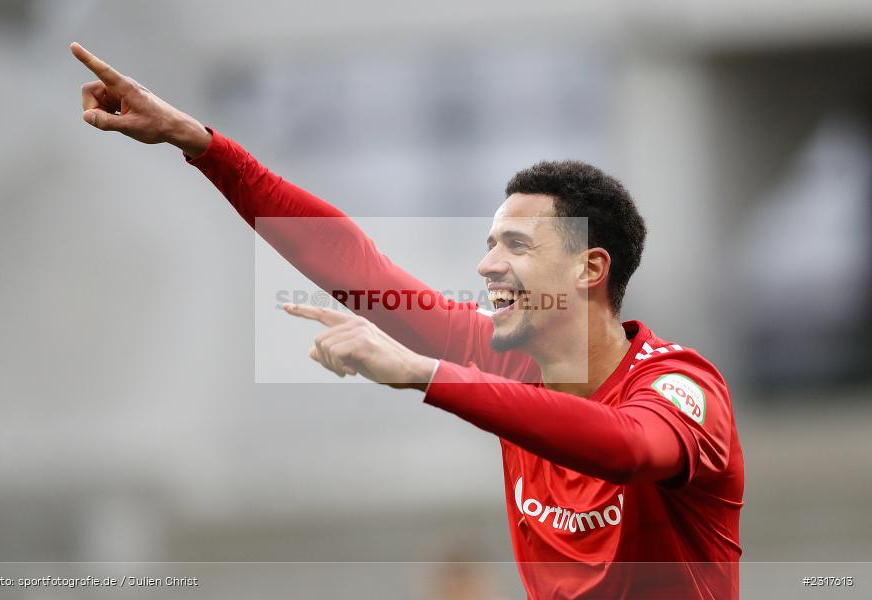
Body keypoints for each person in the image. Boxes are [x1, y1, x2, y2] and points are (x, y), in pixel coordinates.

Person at [71, 42, 743, 598]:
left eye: (516, 247)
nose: (488, 268)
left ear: (588, 270)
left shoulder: (682, 389)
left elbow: (626, 449)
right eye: (487, 246)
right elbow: (358, 268)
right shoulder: (508, 360)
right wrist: (202, 145)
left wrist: (427, 374)